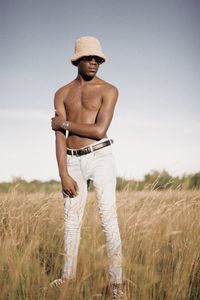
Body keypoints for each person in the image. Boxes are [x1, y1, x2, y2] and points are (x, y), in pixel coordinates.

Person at [50, 36, 123, 299]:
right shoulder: (62, 93)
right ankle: (67, 278)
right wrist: (63, 173)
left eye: (98, 59)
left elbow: (99, 130)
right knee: (71, 222)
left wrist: (65, 125)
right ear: (77, 60)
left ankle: (116, 285)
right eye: (89, 58)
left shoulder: (109, 89)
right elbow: (58, 138)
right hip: (71, 159)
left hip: (101, 156)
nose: (94, 63)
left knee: (107, 219)